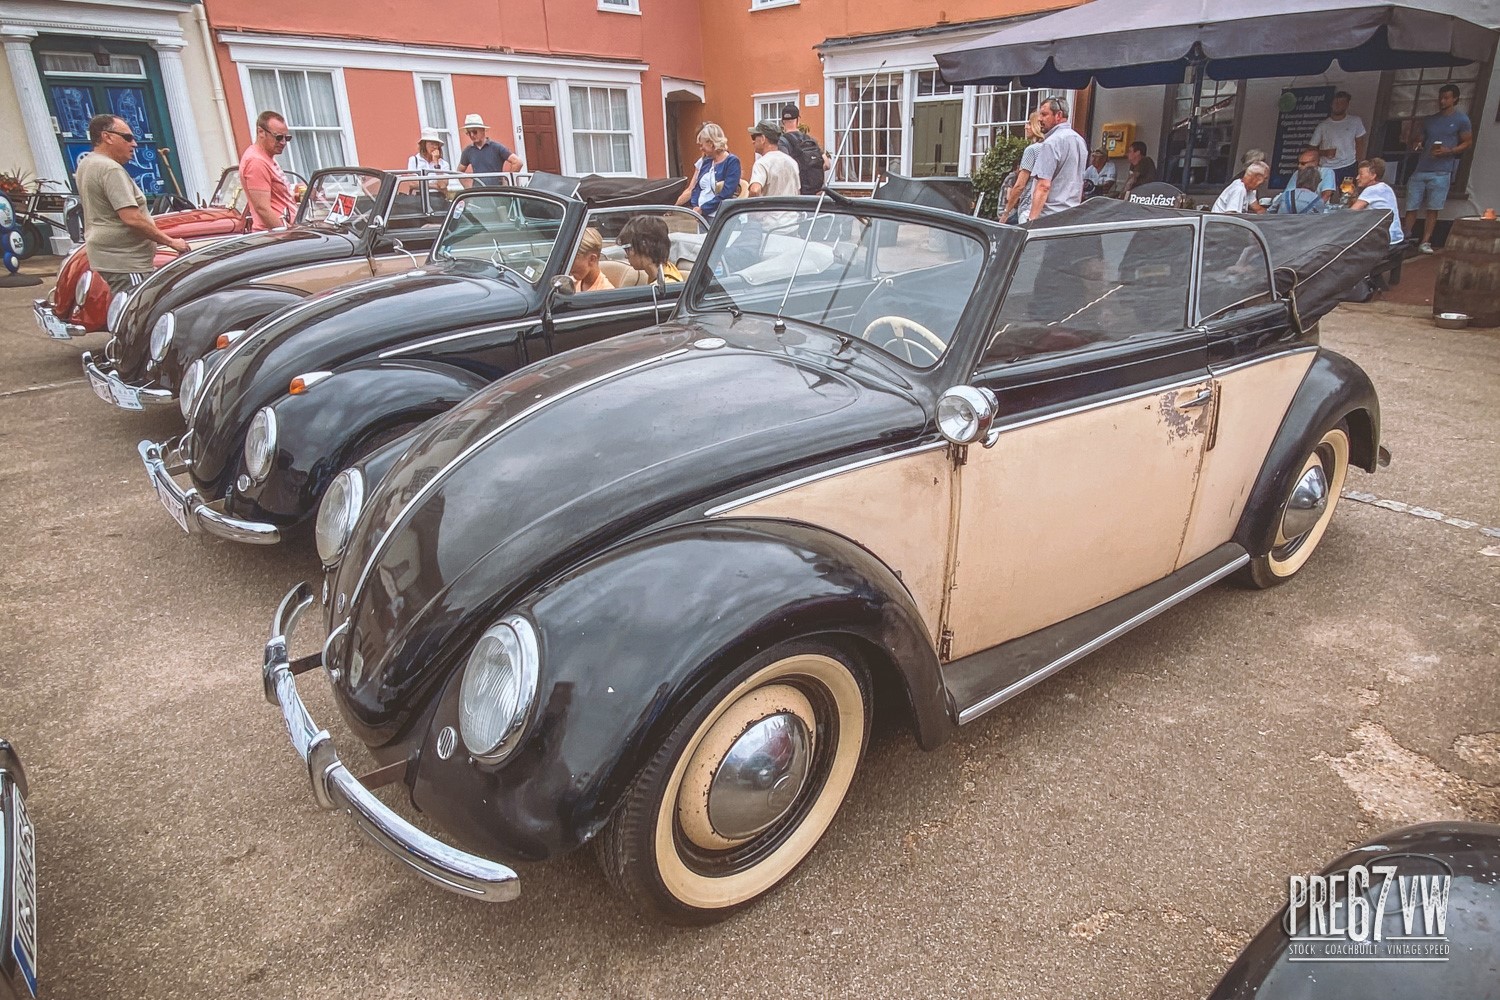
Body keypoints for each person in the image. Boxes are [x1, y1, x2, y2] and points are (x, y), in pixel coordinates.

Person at [75, 113, 190, 292]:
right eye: (127, 138)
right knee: (135, 314)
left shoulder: (87, 163)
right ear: (107, 137)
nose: (134, 144)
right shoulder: (110, 169)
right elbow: (131, 218)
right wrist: (171, 242)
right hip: (126, 261)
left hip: (110, 256)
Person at [1403, 84, 1474, 253]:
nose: (1442, 101)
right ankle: (1404, 238)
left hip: (1442, 170)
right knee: (1411, 206)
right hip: (1422, 166)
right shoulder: (1430, 119)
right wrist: (1417, 143)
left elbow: (1467, 142)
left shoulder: (1461, 119)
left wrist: (1449, 151)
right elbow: (1419, 139)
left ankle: (1425, 241)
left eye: (1447, 98)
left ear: (1455, 99)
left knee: (1433, 208)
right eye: (1441, 97)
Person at [1026, 96, 1089, 221]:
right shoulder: (1079, 141)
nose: (1039, 119)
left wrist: (1031, 221)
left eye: (1044, 114)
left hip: (1050, 216)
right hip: (1072, 214)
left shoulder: (1051, 143)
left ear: (1058, 115)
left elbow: (1043, 186)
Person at [240, 110, 296, 231]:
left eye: (287, 138)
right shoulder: (256, 161)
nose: (283, 142)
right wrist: (287, 235)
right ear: (261, 132)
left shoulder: (266, 156)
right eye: (278, 137)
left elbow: (275, 197)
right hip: (273, 236)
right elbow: (262, 208)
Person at [676, 123, 740, 221]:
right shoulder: (706, 162)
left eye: (702, 145)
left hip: (721, 217)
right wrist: (696, 207)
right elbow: (696, 188)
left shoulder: (732, 161)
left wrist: (703, 209)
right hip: (701, 216)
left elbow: (726, 193)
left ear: (711, 143)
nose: (701, 149)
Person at [1309, 91, 1367, 186]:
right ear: (1331, 105)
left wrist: (1360, 165)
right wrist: (1325, 153)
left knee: (1347, 195)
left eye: (1341, 103)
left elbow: (1360, 143)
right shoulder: (1323, 126)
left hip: (1349, 166)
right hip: (1327, 167)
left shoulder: (1355, 121)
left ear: (1347, 105)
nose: (1338, 106)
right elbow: (1311, 149)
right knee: (1325, 195)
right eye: (1336, 103)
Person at [777, 103, 830, 194]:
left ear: (782, 122)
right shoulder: (810, 140)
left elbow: (785, 168)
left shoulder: (782, 142)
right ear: (798, 120)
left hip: (797, 193)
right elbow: (827, 165)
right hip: (816, 192)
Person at [1351, 158, 1404, 245]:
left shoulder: (1371, 190)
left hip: (1383, 239)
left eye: (1361, 174)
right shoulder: (1386, 188)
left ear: (1373, 176)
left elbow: (1352, 211)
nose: (1357, 178)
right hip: (1396, 236)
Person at [1003, 112, 1044, 224]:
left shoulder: (1032, 150)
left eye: (1030, 123)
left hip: (1028, 207)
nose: (1026, 126)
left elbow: (1020, 185)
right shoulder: (1049, 147)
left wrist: (1006, 212)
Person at [458, 113, 523, 184]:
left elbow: (517, 162)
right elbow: (459, 172)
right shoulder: (468, 151)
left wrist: (507, 181)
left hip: (496, 191)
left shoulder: (496, 147)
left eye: (474, 132)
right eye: (469, 133)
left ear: (482, 130)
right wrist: (468, 188)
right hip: (478, 192)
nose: (472, 135)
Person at [618, 216, 682, 284]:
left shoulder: (665, 285)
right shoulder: (668, 269)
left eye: (627, 249)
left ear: (645, 248)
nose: (626, 256)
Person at [569, 227, 614, 292]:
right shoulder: (571, 284)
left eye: (573, 259)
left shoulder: (605, 293)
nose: (569, 265)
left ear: (592, 259)